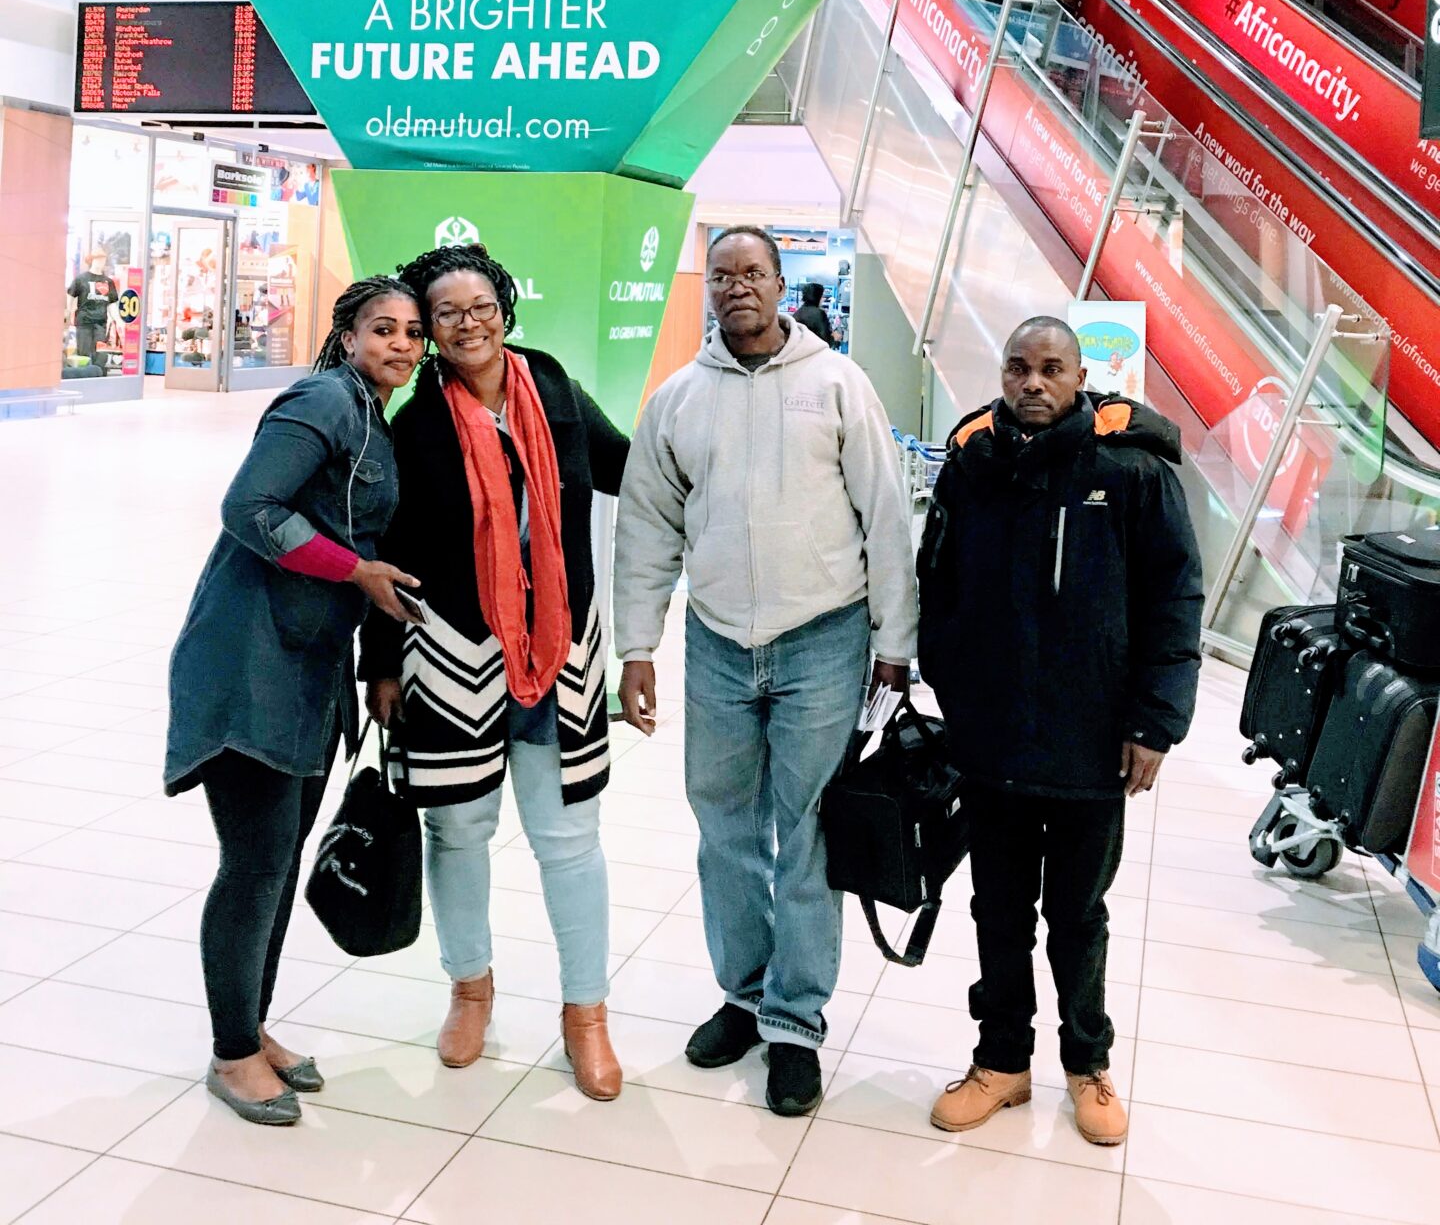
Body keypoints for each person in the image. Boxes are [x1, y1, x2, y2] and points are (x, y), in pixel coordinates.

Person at [613, 225, 916, 1118]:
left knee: (809, 831)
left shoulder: (836, 386)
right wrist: (638, 645)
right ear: (707, 287)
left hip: (822, 641)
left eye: (755, 273)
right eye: (723, 273)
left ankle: (795, 1023)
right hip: (714, 644)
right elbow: (645, 531)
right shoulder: (677, 400)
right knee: (725, 831)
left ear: (783, 285)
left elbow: (888, 518)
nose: (738, 286)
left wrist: (894, 643)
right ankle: (743, 995)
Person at [917, 316, 1202, 1147]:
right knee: (997, 910)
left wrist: (1156, 721)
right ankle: (1001, 1062)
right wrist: (953, 689)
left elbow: (1174, 598)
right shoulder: (973, 464)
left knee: (1078, 915)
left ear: (1080, 378)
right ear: (1002, 375)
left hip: (1092, 742)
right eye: (1017, 368)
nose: (1032, 384)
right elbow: (936, 581)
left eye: (1050, 369)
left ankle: (1088, 1066)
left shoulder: (1133, 470)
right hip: (993, 741)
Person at [359, 241, 630, 1100]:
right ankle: (469, 989)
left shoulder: (549, 384)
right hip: (450, 652)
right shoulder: (417, 422)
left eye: (481, 306)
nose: (467, 323)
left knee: (569, 843)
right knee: (458, 832)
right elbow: (387, 548)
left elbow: (630, 463)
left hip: (558, 647)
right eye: (447, 314)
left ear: (506, 308)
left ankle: (585, 1015)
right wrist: (381, 662)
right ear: (430, 333)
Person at [165, 277, 427, 1128]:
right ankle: (231, 1051)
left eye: (412, 332)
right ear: (346, 336)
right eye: (382, 328)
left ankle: (251, 1028)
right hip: (248, 661)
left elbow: (367, 537)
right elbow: (249, 506)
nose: (402, 344)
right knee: (254, 864)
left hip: (308, 668)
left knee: (278, 860)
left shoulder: (370, 415)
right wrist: (353, 573)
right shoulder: (322, 397)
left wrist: (376, 662)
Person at [67, 249, 116, 361]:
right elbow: (70, 294)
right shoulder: (81, 279)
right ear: (92, 260)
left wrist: (117, 320)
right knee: (83, 353)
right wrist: (68, 311)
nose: (101, 262)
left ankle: (98, 374)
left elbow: (112, 303)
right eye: (98, 259)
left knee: (100, 354)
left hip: (100, 323)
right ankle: (84, 376)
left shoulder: (108, 282)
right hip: (84, 322)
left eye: (103, 259)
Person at [789, 282, 834, 346]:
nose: (823, 299)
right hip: (814, 352)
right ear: (817, 297)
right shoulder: (819, 314)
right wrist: (834, 338)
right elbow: (825, 340)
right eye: (822, 296)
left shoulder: (797, 313)